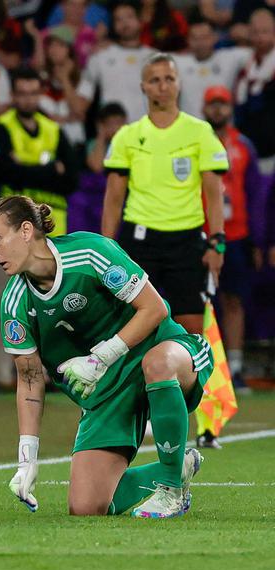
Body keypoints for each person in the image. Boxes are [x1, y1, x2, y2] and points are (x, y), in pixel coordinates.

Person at [0, 194, 211, 518]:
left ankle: (171, 490)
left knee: (156, 365)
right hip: (107, 393)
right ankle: (176, 466)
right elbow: (30, 379)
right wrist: (27, 459)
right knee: (86, 507)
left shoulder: (90, 253)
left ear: (25, 230)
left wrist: (100, 358)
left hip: (164, 352)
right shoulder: (14, 303)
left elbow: (155, 309)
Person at [101, 53, 229, 337]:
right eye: (155, 80)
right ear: (143, 87)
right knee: (133, 326)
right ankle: (140, 382)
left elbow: (214, 193)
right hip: (140, 242)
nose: (163, 86)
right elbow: (113, 198)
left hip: (187, 241)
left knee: (192, 329)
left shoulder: (200, 132)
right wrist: (106, 250)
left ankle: (184, 382)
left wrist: (217, 244)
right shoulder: (127, 136)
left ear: (179, 84)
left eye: (169, 78)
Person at [0, 66, 78, 394]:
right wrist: (49, 170)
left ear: (40, 94)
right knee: (2, 300)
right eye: (21, 92)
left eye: (33, 92)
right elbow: (0, 168)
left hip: (48, 237)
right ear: (14, 96)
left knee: (50, 305)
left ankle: (49, 374)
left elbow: (71, 179)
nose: (27, 98)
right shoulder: (0, 130)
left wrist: (24, 170)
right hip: (6, 235)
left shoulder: (54, 130)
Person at [201, 85, 266, 394]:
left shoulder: (244, 146)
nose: (217, 110)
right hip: (201, 233)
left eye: (222, 105)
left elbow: (255, 196)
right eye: (212, 104)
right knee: (200, 303)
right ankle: (204, 369)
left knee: (234, 301)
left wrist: (257, 240)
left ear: (230, 108)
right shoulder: (194, 142)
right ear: (204, 108)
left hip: (237, 236)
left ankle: (235, 369)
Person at [76, 1, 156, 123]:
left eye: (129, 17)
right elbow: (82, 99)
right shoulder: (100, 56)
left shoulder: (156, 57)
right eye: (118, 19)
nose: (125, 23)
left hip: (147, 132)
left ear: (140, 20)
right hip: (113, 133)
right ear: (113, 25)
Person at [175, 12, 252, 118]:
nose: (200, 43)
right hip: (190, 131)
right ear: (188, 40)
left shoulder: (231, 57)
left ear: (215, 37)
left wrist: (249, 34)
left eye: (205, 37)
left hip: (222, 130)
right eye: (195, 38)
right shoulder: (177, 62)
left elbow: (264, 50)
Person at [234, 8, 275, 173]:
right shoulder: (246, 67)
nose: (260, 37)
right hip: (252, 148)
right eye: (255, 32)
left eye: (265, 31)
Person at [34, 26, 87, 146]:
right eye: (51, 45)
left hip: (73, 141)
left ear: (70, 50)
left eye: (60, 45)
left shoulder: (83, 79)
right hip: (44, 141)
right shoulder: (40, 78)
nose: (54, 49)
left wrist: (65, 79)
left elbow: (78, 110)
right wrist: (64, 118)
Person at [85, 102, 127, 173]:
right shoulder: (93, 144)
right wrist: (101, 136)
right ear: (102, 125)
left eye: (118, 123)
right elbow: (97, 167)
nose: (115, 128)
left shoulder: (132, 142)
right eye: (110, 124)